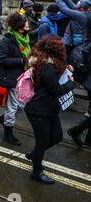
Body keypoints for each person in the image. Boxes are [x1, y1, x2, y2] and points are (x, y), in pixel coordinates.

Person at [24, 36, 75, 184]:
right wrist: (71, 84)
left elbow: (52, 79)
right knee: (42, 142)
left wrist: (66, 69)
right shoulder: (48, 67)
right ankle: (36, 171)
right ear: (56, 50)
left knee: (57, 136)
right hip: (39, 110)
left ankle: (34, 154)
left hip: (48, 108)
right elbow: (55, 89)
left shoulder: (47, 62)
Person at [0, 13, 31, 145]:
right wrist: (23, 60)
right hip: (12, 78)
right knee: (13, 107)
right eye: (26, 24)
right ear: (20, 27)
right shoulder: (7, 41)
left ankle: (5, 119)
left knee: (23, 104)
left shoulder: (24, 37)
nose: (28, 26)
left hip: (23, 77)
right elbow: (3, 60)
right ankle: (8, 134)